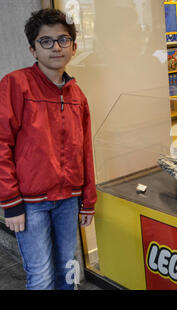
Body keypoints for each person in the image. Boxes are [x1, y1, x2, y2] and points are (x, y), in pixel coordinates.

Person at [0, 8, 96, 290]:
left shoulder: (77, 95)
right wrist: (11, 203)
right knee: (41, 275)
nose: (56, 47)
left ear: (74, 47)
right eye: (46, 41)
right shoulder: (15, 85)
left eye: (63, 40)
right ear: (33, 49)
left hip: (69, 199)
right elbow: (2, 145)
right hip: (30, 205)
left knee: (68, 268)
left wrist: (88, 199)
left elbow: (85, 150)